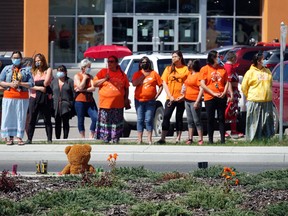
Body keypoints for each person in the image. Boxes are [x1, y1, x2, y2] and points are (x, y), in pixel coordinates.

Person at [93, 56, 130, 144]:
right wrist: (105, 79)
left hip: (118, 104)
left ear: (117, 63)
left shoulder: (122, 74)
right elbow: (94, 83)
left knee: (116, 123)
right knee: (106, 122)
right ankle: (105, 139)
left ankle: (115, 139)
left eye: (112, 61)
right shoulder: (103, 72)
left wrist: (126, 99)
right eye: (108, 61)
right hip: (105, 104)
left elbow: (126, 87)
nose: (109, 63)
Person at [156, 50, 190, 144]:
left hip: (181, 98)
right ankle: (163, 138)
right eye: (172, 57)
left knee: (179, 117)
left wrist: (183, 96)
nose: (173, 58)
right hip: (170, 98)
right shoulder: (168, 69)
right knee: (166, 115)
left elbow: (188, 83)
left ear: (180, 58)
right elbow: (164, 83)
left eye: (175, 56)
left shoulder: (185, 69)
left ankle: (178, 138)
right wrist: (170, 96)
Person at [0, 51, 34, 145]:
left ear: (21, 59)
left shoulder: (26, 70)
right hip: (9, 96)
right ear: (11, 59)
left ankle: (19, 137)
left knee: (20, 117)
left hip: (22, 97)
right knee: (9, 117)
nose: (16, 59)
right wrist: (10, 84)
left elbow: (31, 83)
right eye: (14, 58)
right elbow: (1, 81)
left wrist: (21, 83)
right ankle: (9, 138)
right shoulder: (7, 69)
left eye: (18, 57)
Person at [241, 52, 274, 142]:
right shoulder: (250, 72)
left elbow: (270, 83)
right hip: (254, 100)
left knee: (266, 120)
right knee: (254, 121)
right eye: (263, 59)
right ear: (258, 61)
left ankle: (266, 139)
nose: (264, 60)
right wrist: (250, 96)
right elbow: (244, 87)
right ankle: (252, 139)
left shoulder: (267, 71)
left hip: (267, 101)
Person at [200, 50, 230, 144]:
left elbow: (227, 82)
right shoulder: (205, 69)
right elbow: (202, 84)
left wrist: (224, 92)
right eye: (217, 56)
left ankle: (222, 140)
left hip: (221, 96)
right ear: (212, 58)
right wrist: (213, 93)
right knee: (210, 118)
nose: (219, 58)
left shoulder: (222, 69)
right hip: (210, 97)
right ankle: (210, 140)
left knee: (221, 118)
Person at [132, 56, 163, 145]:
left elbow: (161, 85)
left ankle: (149, 139)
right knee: (140, 119)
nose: (145, 64)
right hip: (139, 100)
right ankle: (139, 139)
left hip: (150, 101)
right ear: (140, 64)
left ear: (149, 64)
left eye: (146, 62)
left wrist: (156, 96)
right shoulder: (137, 73)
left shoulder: (154, 73)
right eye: (143, 62)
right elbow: (134, 83)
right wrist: (143, 76)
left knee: (149, 119)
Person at [26, 53, 53, 144]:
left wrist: (37, 84)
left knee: (47, 118)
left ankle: (49, 139)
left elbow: (46, 83)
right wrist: (39, 88)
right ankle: (29, 138)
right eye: (36, 61)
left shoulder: (48, 70)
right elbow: (29, 85)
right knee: (32, 118)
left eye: (39, 61)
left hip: (45, 97)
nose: (38, 62)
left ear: (43, 61)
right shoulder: (32, 71)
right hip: (34, 97)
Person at [180, 59, 204, 145]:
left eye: (190, 64)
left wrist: (197, 101)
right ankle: (190, 138)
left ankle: (200, 139)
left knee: (197, 120)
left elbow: (201, 89)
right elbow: (185, 84)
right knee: (189, 120)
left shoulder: (198, 75)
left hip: (194, 100)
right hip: (187, 100)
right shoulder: (189, 74)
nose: (188, 65)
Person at [74, 59, 97, 138]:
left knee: (95, 117)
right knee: (81, 119)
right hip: (80, 100)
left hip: (90, 100)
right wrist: (84, 78)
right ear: (83, 67)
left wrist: (83, 90)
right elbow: (79, 86)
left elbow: (93, 88)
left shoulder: (90, 77)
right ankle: (82, 137)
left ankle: (91, 134)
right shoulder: (77, 76)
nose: (90, 68)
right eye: (88, 67)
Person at [50, 65, 75, 139]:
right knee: (57, 122)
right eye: (58, 71)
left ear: (65, 72)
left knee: (65, 122)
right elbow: (50, 93)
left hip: (66, 105)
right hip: (56, 105)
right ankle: (57, 138)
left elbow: (73, 94)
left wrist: (71, 104)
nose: (59, 72)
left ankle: (65, 138)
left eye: (61, 71)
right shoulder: (54, 82)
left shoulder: (70, 81)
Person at [224, 52, 244, 139]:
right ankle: (223, 130)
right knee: (228, 111)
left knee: (234, 112)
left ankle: (234, 130)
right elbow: (228, 82)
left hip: (234, 91)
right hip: (230, 92)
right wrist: (231, 93)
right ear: (232, 58)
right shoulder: (228, 68)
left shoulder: (232, 67)